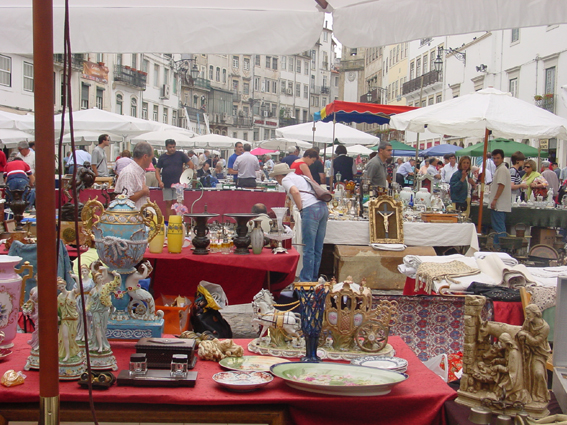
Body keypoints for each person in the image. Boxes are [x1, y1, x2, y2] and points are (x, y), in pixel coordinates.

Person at [270, 163, 328, 282]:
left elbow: (295, 192)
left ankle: (306, 280)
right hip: (322, 207)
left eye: (276, 178)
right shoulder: (302, 177)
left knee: (308, 248)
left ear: (280, 176)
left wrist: (301, 209)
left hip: (310, 209)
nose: (277, 181)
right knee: (317, 247)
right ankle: (313, 278)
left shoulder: (286, 179)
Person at [516, 304, 551, 404]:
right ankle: (527, 394)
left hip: (539, 353)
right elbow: (521, 331)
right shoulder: (528, 322)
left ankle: (541, 395)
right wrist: (522, 335)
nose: (526, 316)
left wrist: (525, 335)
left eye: (528, 314)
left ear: (535, 314)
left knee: (538, 373)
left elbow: (536, 342)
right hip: (527, 351)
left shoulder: (545, 328)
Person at [154, 139, 192, 220]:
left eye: (174, 147)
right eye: (170, 147)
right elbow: (157, 170)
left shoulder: (180, 155)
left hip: (179, 184)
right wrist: (159, 181)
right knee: (168, 203)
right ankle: (171, 221)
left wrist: (186, 175)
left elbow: (191, 165)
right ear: (166, 147)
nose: (172, 149)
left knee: (180, 203)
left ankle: (180, 220)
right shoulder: (162, 157)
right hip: (166, 183)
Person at [114, 141, 153, 210]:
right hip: (130, 218)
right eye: (151, 158)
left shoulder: (139, 172)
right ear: (145, 157)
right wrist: (143, 192)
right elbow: (125, 200)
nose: (151, 161)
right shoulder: (129, 173)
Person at [489, 149, 511, 248]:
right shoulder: (500, 169)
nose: (496, 160)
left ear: (502, 158)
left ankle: (500, 248)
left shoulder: (502, 169)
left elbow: (501, 185)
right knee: (498, 227)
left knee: (499, 228)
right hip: (500, 204)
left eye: (498, 158)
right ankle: (498, 247)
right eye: (494, 158)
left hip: (499, 205)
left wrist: (495, 199)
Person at [57, 277, 80, 362]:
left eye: (62, 286)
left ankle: (73, 352)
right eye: (59, 287)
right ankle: (67, 354)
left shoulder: (72, 293)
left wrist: (76, 278)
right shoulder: (59, 297)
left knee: (72, 337)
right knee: (65, 336)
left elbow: (79, 289)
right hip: (65, 319)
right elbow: (58, 309)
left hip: (73, 319)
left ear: (65, 284)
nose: (61, 288)